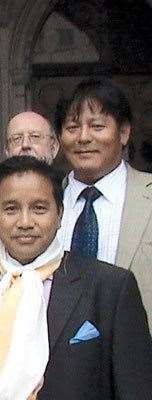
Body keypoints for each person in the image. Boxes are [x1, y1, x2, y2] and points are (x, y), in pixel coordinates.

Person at [0, 156, 152, 399]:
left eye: (39, 208)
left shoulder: (111, 288)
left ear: (60, 214)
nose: (25, 222)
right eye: (11, 209)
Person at [55, 78, 152, 329]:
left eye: (97, 126)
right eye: (72, 127)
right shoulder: (44, 202)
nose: (83, 138)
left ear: (124, 132)